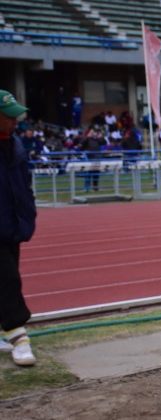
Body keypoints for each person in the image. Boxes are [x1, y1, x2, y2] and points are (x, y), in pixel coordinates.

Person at [0, 89, 37, 366]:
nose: (15, 122)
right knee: (9, 278)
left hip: (12, 225)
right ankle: (18, 336)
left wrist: (28, 216)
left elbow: (23, 186)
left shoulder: (16, 146)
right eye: (9, 117)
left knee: (7, 274)